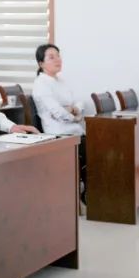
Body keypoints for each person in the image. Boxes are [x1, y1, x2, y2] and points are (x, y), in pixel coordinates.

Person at [32, 43, 87, 203]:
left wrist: (74, 109)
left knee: (100, 146)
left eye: (58, 55)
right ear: (41, 64)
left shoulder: (61, 80)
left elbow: (80, 102)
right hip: (59, 134)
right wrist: (75, 116)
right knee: (94, 150)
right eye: (51, 57)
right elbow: (57, 112)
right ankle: (85, 196)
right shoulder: (41, 84)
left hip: (75, 131)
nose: (57, 59)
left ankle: (91, 193)